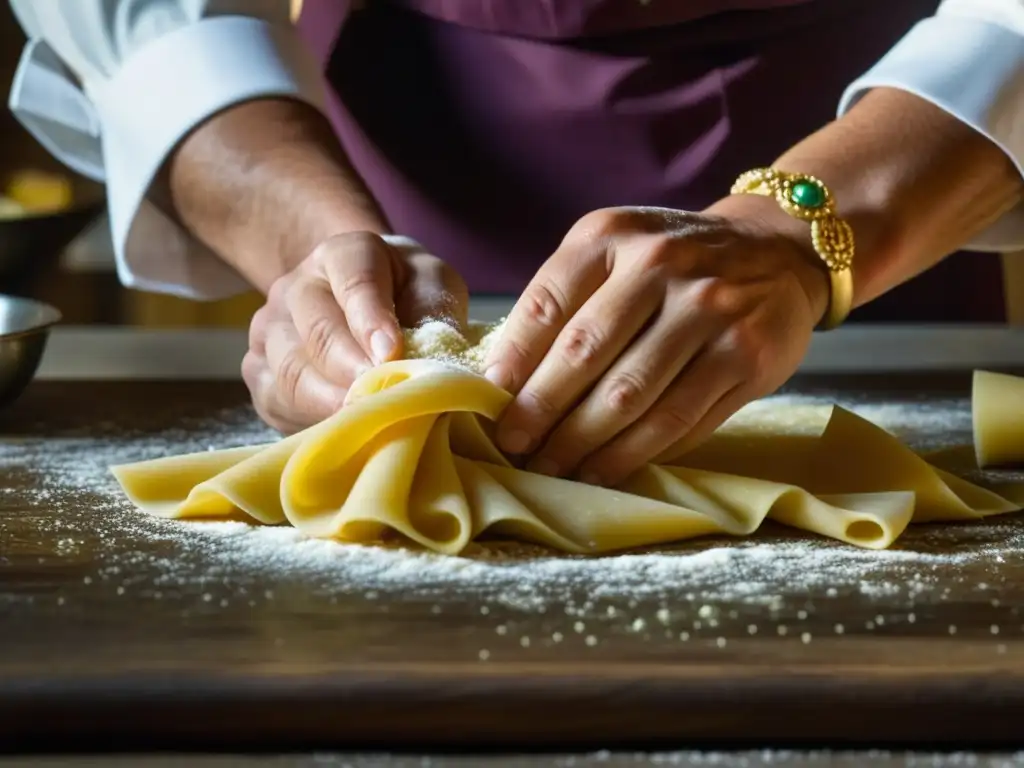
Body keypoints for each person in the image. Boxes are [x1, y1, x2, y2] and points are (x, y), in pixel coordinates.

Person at [8, 0, 1023, 487]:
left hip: (891, 150)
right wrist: (316, 239)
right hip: (382, 135)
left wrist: (806, 226)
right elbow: (141, 22)